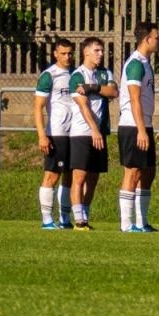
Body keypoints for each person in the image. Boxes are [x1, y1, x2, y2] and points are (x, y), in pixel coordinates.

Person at [115, 20, 159, 233]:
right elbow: (134, 99)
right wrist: (141, 130)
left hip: (145, 125)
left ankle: (142, 222)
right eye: (156, 37)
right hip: (133, 126)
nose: (158, 41)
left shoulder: (146, 62)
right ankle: (126, 223)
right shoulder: (135, 64)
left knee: (148, 172)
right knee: (132, 172)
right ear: (147, 39)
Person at [67, 37, 115, 231]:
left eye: (102, 51)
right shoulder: (77, 75)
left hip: (99, 132)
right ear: (85, 52)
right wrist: (93, 129)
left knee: (94, 177)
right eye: (96, 50)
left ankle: (85, 214)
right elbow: (83, 105)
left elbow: (113, 92)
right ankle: (78, 220)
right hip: (82, 133)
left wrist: (94, 88)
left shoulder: (104, 73)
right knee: (79, 176)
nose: (100, 54)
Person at [33, 37, 75, 229]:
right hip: (56, 132)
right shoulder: (49, 75)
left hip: (74, 132)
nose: (67, 57)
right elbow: (38, 107)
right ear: (55, 54)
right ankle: (47, 219)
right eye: (63, 53)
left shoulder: (76, 74)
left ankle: (64, 218)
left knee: (70, 174)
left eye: (70, 53)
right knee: (52, 174)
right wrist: (42, 135)